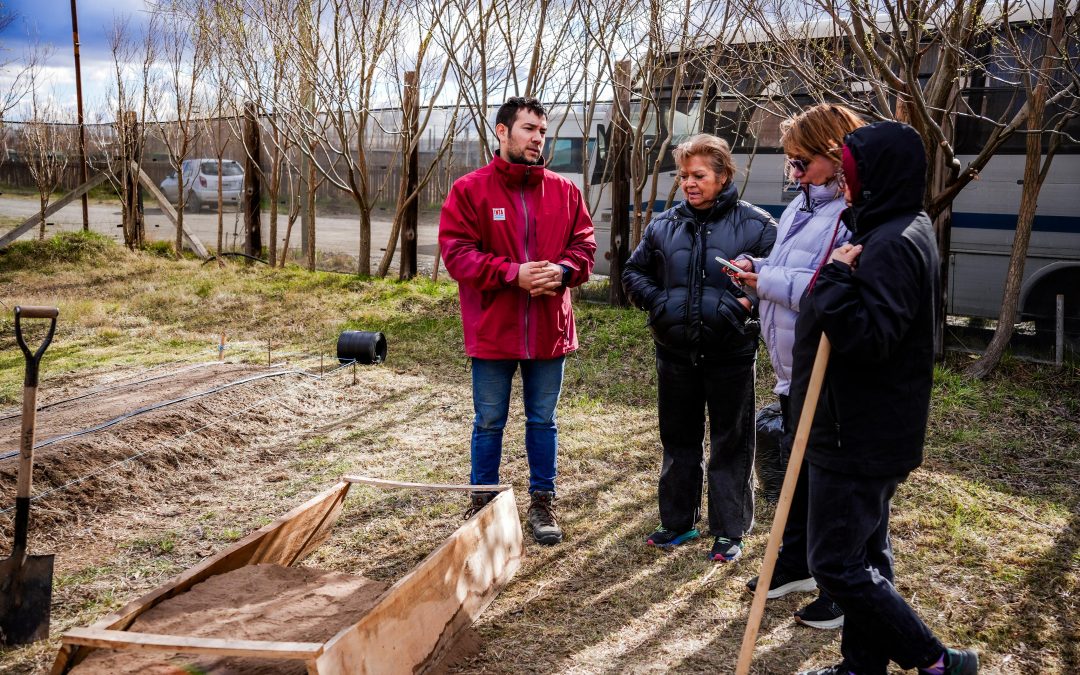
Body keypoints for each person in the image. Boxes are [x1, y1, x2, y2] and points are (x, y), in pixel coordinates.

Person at [790, 120, 979, 675]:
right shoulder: (885, 226)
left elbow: (871, 340)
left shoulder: (894, 243)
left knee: (835, 562)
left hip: (858, 433)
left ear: (876, 176)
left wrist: (832, 282)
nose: (843, 184)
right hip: (855, 426)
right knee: (866, 555)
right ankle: (861, 668)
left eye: (850, 174)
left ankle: (938, 661)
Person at [438, 96, 596, 546]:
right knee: (488, 421)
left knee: (543, 420)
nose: (537, 139)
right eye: (529, 129)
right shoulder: (470, 190)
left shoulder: (565, 192)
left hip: (549, 331)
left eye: (542, 131)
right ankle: (482, 503)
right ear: (502, 131)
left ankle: (542, 503)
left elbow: (584, 248)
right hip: (493, 331)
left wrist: (563, 271)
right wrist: (513, 274)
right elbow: (457, 254)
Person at [735, 103, 865, 631]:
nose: (793, 173)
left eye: (801, 162)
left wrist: (765, 283)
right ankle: (797, 564)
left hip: (826, 368)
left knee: (830, 481)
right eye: (789, 162)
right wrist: (755, 266)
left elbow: (823, 287)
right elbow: (791, 267)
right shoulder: (803, 206)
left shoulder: (850, 216)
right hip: (792, 364)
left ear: (835, 156)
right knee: (797, 468)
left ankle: (839, 586)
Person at [622, 134, 776, 562]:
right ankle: (676, 522)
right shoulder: (663, 224)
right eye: (683, 175)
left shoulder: (758, 226)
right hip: (674, 354)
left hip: (731, 354)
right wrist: (659, 303)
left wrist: (740, 307)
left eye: (699, 175)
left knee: (731, 443)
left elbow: (778, 281)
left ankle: (729, 531)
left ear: (723, 176)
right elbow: (635, 272)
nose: (689, 183)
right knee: (678, 439)